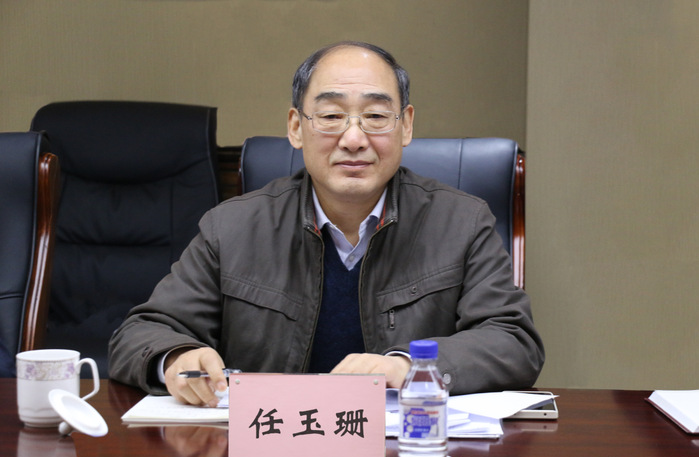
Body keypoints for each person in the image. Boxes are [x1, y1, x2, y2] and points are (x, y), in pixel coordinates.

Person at [108, 41, 544, 407]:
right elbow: (139, 334)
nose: (353, 139)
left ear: (406, 126)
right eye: (332, 116)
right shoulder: (232, 227)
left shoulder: (462, 222)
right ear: (296, 128)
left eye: (376, 117)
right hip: (273, 447)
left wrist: (408, 367)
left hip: (406, 448)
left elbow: (513, 342)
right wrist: (176, 357)